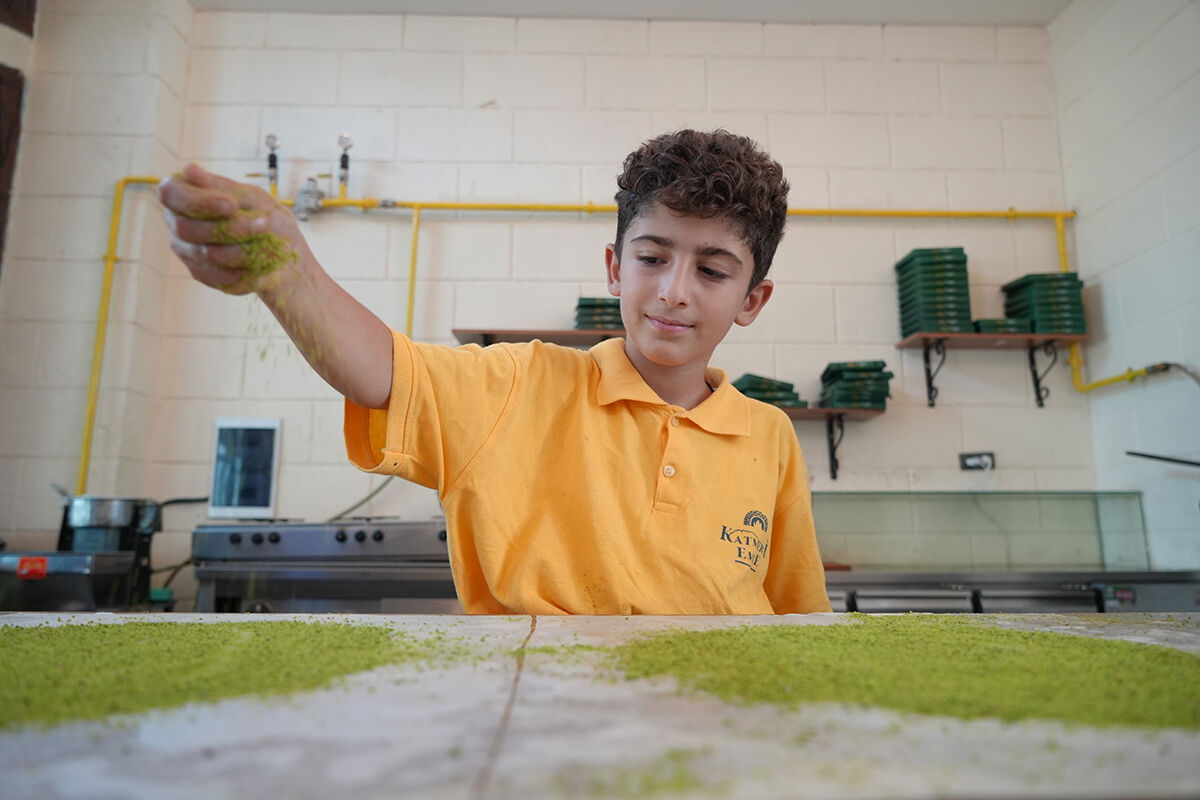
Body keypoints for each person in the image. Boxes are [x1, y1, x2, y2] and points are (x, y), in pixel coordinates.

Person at [160, 129, 831, 615]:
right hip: (540, 722)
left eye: (711, 271)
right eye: (652, 257)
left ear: (752, 300)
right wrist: (287, 271)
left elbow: (800, 618)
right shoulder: (519, 386)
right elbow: (380, 374)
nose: (674, 291)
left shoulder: (768, 435)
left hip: (720, 734)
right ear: (614, 268)